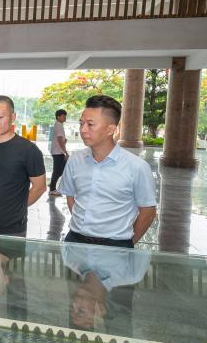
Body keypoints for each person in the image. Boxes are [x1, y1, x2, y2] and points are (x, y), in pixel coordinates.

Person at [58, 94, 156, 247]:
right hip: (75, 241)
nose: (83, 130)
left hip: (115, 245)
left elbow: (148, 212)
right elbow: (70, 196)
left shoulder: (137, 167)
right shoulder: (75, 160)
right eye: (81, 123)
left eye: (90, 124)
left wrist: (127, 244)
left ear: (110, 129)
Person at [0, 95, 47, 237]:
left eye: (0, 117)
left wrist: (16, 207)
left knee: (10, 253)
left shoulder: (29, 150)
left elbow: (40, 187)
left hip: (13, 227)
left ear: (13, 117)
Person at [48, 109, 69, 196]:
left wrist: (64, 141)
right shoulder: (59, 125)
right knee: (58, 171)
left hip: (58, 151)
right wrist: (65, 152)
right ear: (58, 116)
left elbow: (60, 139)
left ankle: (52, 183)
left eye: (65, 116)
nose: (65, 118)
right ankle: (52, 189)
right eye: (63, 116)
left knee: (60, 170)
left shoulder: (58, 124)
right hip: (58, 152)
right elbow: (60, 139)